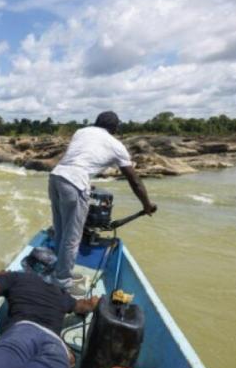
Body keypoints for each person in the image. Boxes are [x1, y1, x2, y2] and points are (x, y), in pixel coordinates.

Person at [49, 111, 156, 292]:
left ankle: (58, 271)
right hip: (75, 182)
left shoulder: (81, 132)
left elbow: (81, 157)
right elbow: (134, 180)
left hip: (56, 177)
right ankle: (62, 281)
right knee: (73, 237)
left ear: (96, 122)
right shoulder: (116, 145)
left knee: (60, 231)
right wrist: (146, 205)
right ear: (115, 128)